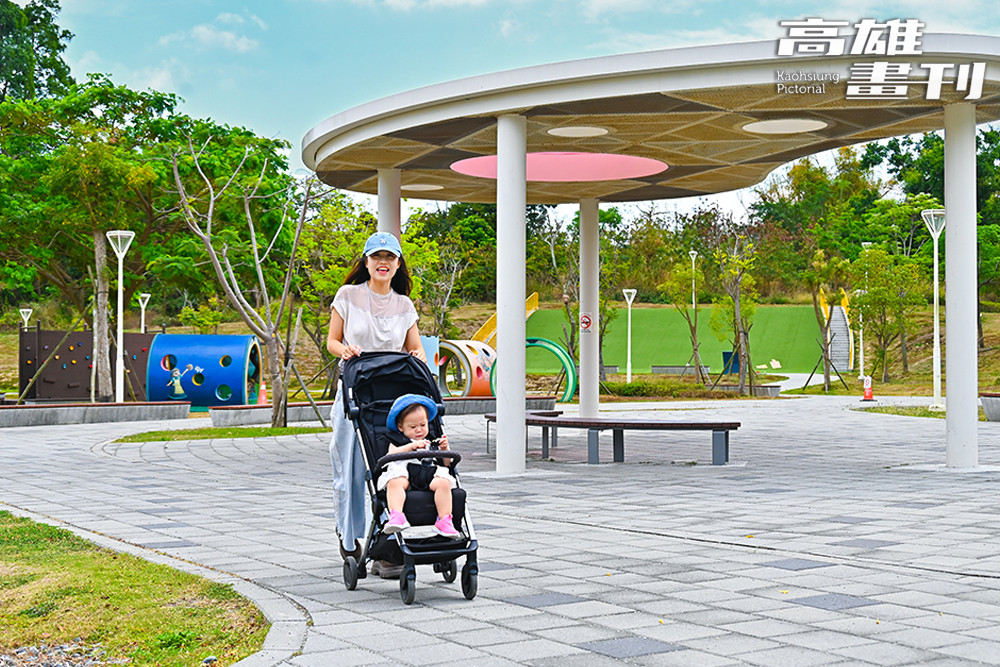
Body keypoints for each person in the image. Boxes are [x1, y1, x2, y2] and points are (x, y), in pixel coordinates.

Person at [327, 231, 427, 577]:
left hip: (391, 398)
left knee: (389, 467)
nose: (383, 263)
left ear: (398, 265)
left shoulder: (404, 304)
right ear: (366, 262)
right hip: (355, 392)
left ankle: (386, 545)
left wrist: (418, 358)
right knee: (351, 470)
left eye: (390, 258)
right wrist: (346, 351)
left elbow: (415, 348)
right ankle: (349, 536)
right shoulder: (349, 295)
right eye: (376, 257)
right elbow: (332, 341)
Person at [380, 394, 461, 539]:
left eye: (423, 425)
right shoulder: (397, 440)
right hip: (405, 472)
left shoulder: (431, 440)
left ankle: (444, 521)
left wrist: (444, 449)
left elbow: (447, 463)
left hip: (429, 473)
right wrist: (411, 446)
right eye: (413, 427)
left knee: (443, 483)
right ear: (400, 427)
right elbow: (390, 454)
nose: (419, 430)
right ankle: (397, 515)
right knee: (394, 482)